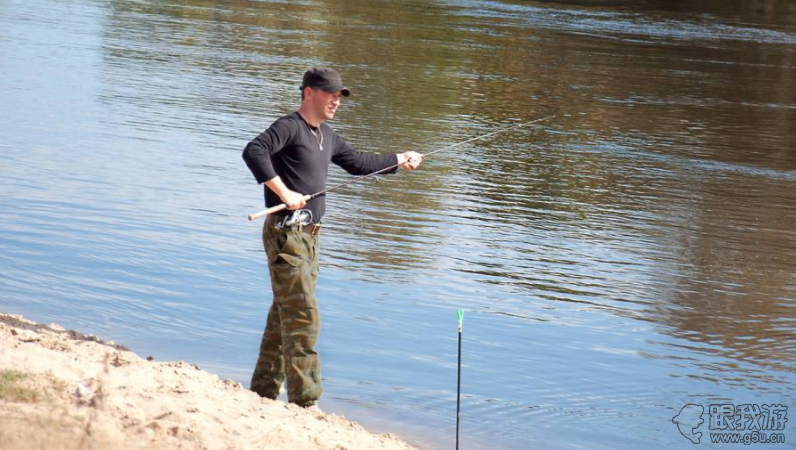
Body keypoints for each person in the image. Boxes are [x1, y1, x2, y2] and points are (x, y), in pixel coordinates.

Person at [242, 67, 422, 410]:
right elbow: (254, 152)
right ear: (309, 92)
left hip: (310, 239)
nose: (336, 101)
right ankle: (305, 401)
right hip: (287, 233)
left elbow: (359, 163)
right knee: (303, 315)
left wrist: (400, 159)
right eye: (330, 94)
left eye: (339, 96)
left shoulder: (326, 135)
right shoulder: (289, 126)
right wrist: (284, 190)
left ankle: (262, 392)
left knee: (286, 312)